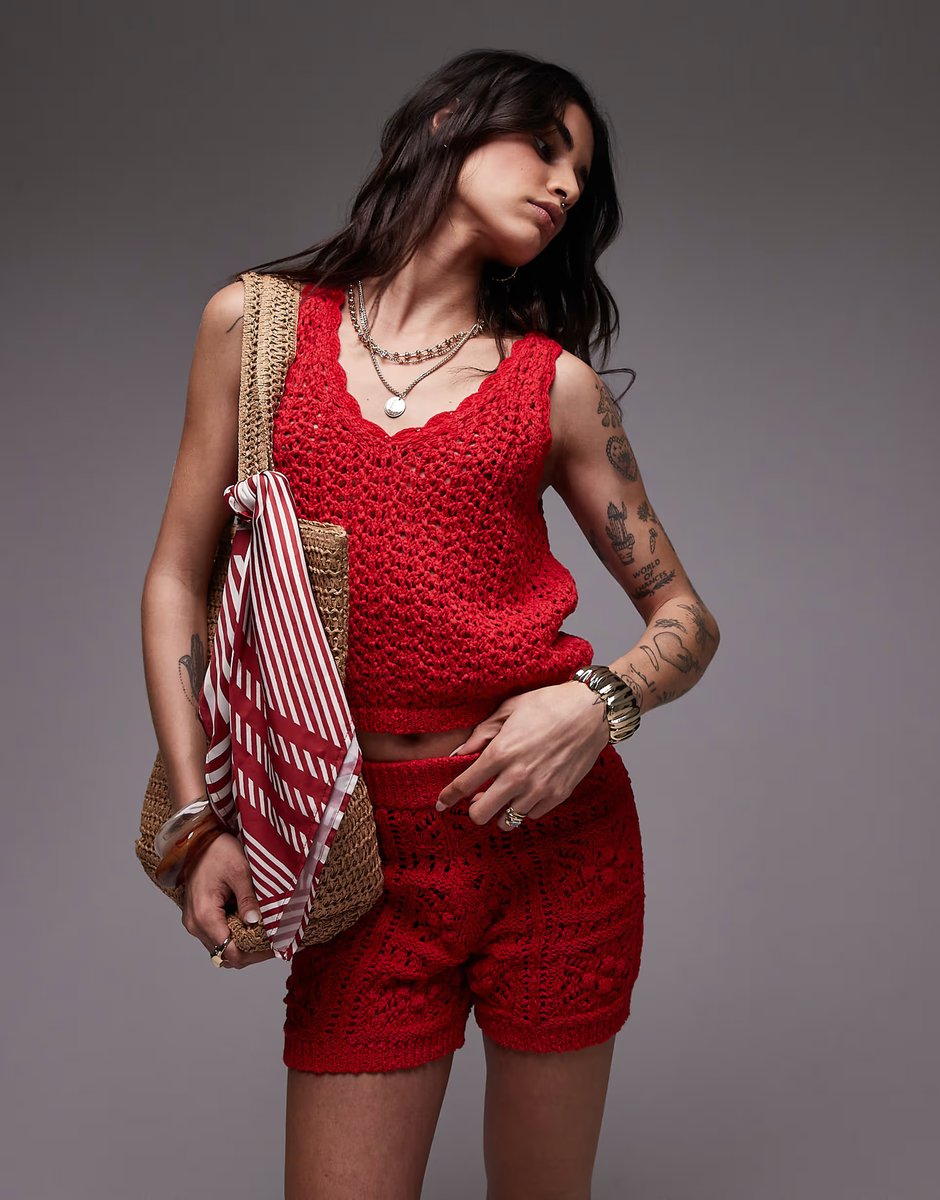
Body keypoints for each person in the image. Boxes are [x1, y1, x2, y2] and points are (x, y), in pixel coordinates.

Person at [141, 47, 720, 1200]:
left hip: (552, 842)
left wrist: (593, 705)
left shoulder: (551, 385)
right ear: (451, 121)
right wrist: (199, 822)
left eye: (579, 177)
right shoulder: (256, 329)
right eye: (545, 146)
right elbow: (175, 582)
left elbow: (686, 619)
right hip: (357, 852)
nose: (564, 186)